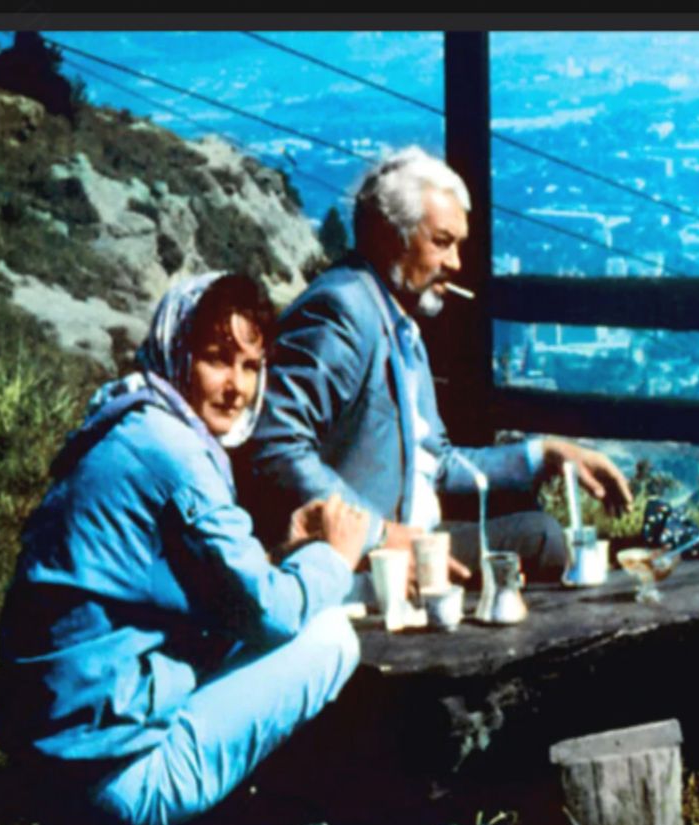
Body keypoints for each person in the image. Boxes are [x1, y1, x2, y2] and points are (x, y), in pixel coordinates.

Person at [0, 273, 369, 825]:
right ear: (177, 352)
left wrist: (282, 555)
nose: (237, 388)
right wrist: (334, 557)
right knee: (331, 636)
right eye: (217, 359)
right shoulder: (174, 453)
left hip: (60, 742)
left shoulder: (129, 421)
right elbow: (269, 614)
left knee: (254, 636)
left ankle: (236, 815)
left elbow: (206, 593)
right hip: (113, 774)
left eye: (251, 366)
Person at [241, 146, 633, 580]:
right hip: (365, 559)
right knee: (544, 542)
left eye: (458, 245)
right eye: (442, 243)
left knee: (540, 534)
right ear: (389, 236)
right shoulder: (342, 311)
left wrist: (544, 456)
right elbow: (275, 446)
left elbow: (437, 463)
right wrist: (378, 535)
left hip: (411, 538)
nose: (456, 263)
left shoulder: (399, 320)